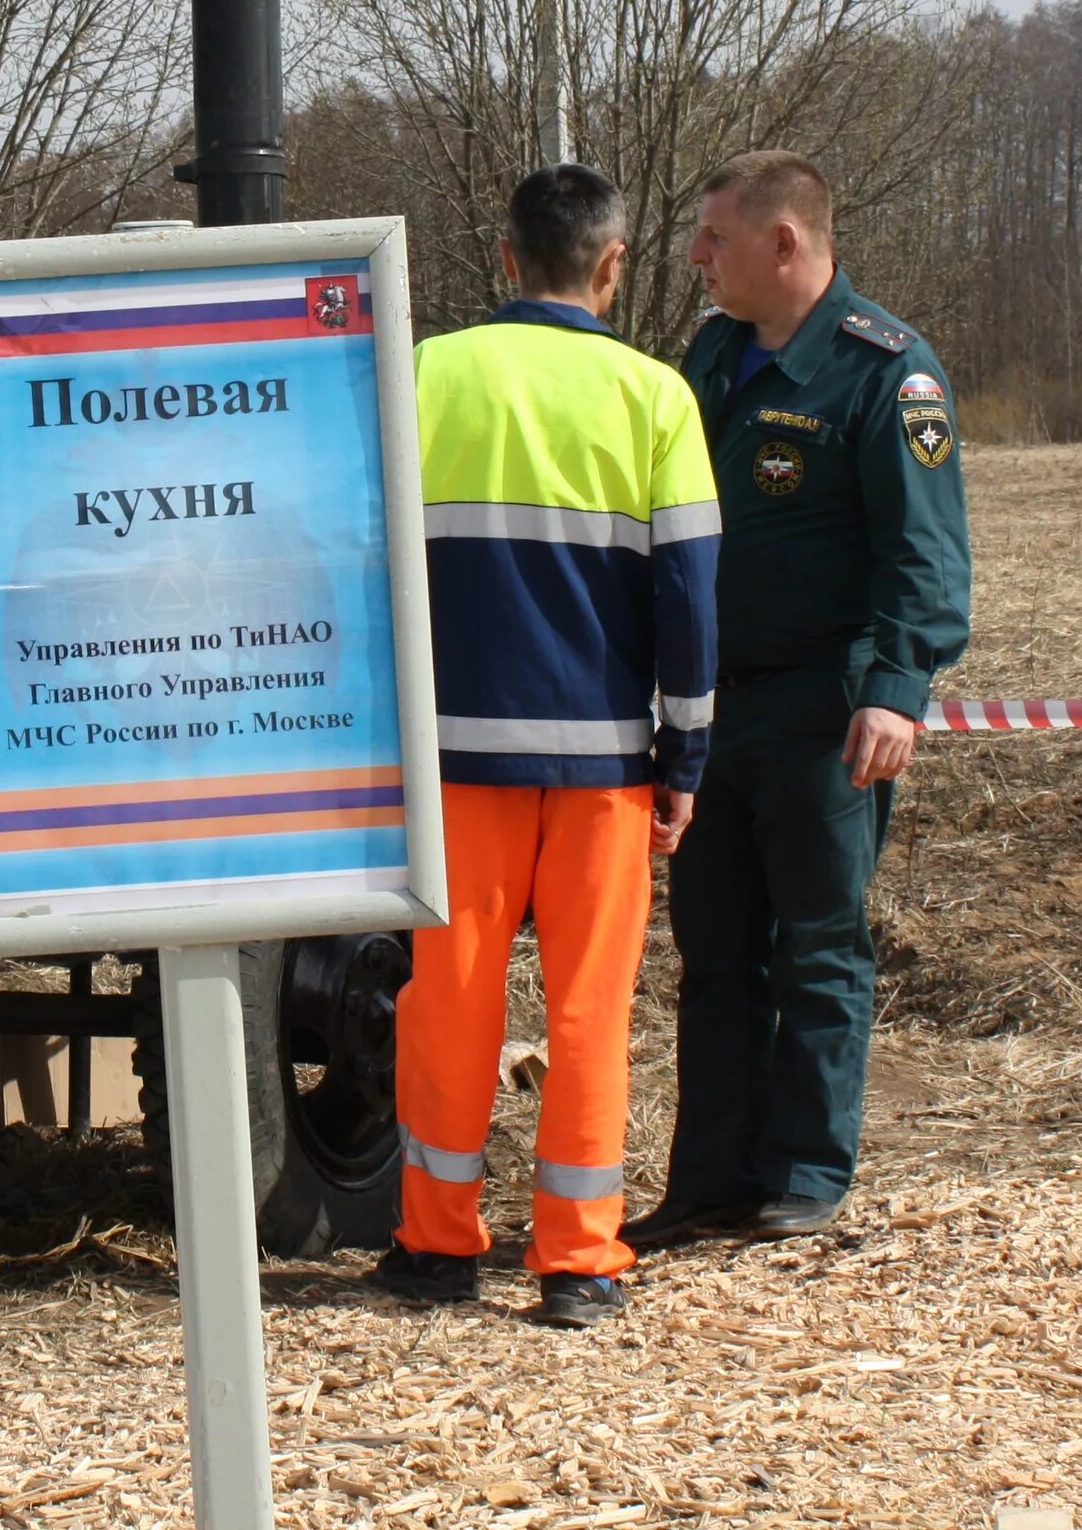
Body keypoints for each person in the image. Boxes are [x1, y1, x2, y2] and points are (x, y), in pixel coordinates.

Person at [373, 163, 720, 1329]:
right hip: (602, 765)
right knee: (588, 1008)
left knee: (449, 997)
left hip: (450, 758)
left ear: (509, 257)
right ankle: (577, 1259)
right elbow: (690, 595)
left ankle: (434, 1243)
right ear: (613, 264)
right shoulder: (656, 396)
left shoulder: (421, 374)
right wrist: (684, 758)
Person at [625, 149, 971, 1250]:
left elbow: (922, 551)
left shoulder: (888, 372)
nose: (696, 256)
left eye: (715, 237)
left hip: (826, 706)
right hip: (715, 708)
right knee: (717, 950)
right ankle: (713, 1177)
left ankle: (807, 1173)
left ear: (785, 243)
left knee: (818, 944)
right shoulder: (718, 352)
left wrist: (898, 687)